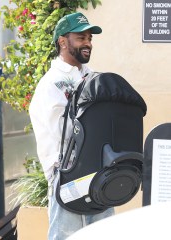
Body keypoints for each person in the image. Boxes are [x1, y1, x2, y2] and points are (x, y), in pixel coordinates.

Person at [29, 12, 114, 240]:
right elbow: (64, 132)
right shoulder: (51, 83)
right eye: (81, 37)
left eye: (89, 38)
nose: (88, 43)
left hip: (98, 173)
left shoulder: (92, 77)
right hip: (67, 178)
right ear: (63, 42)